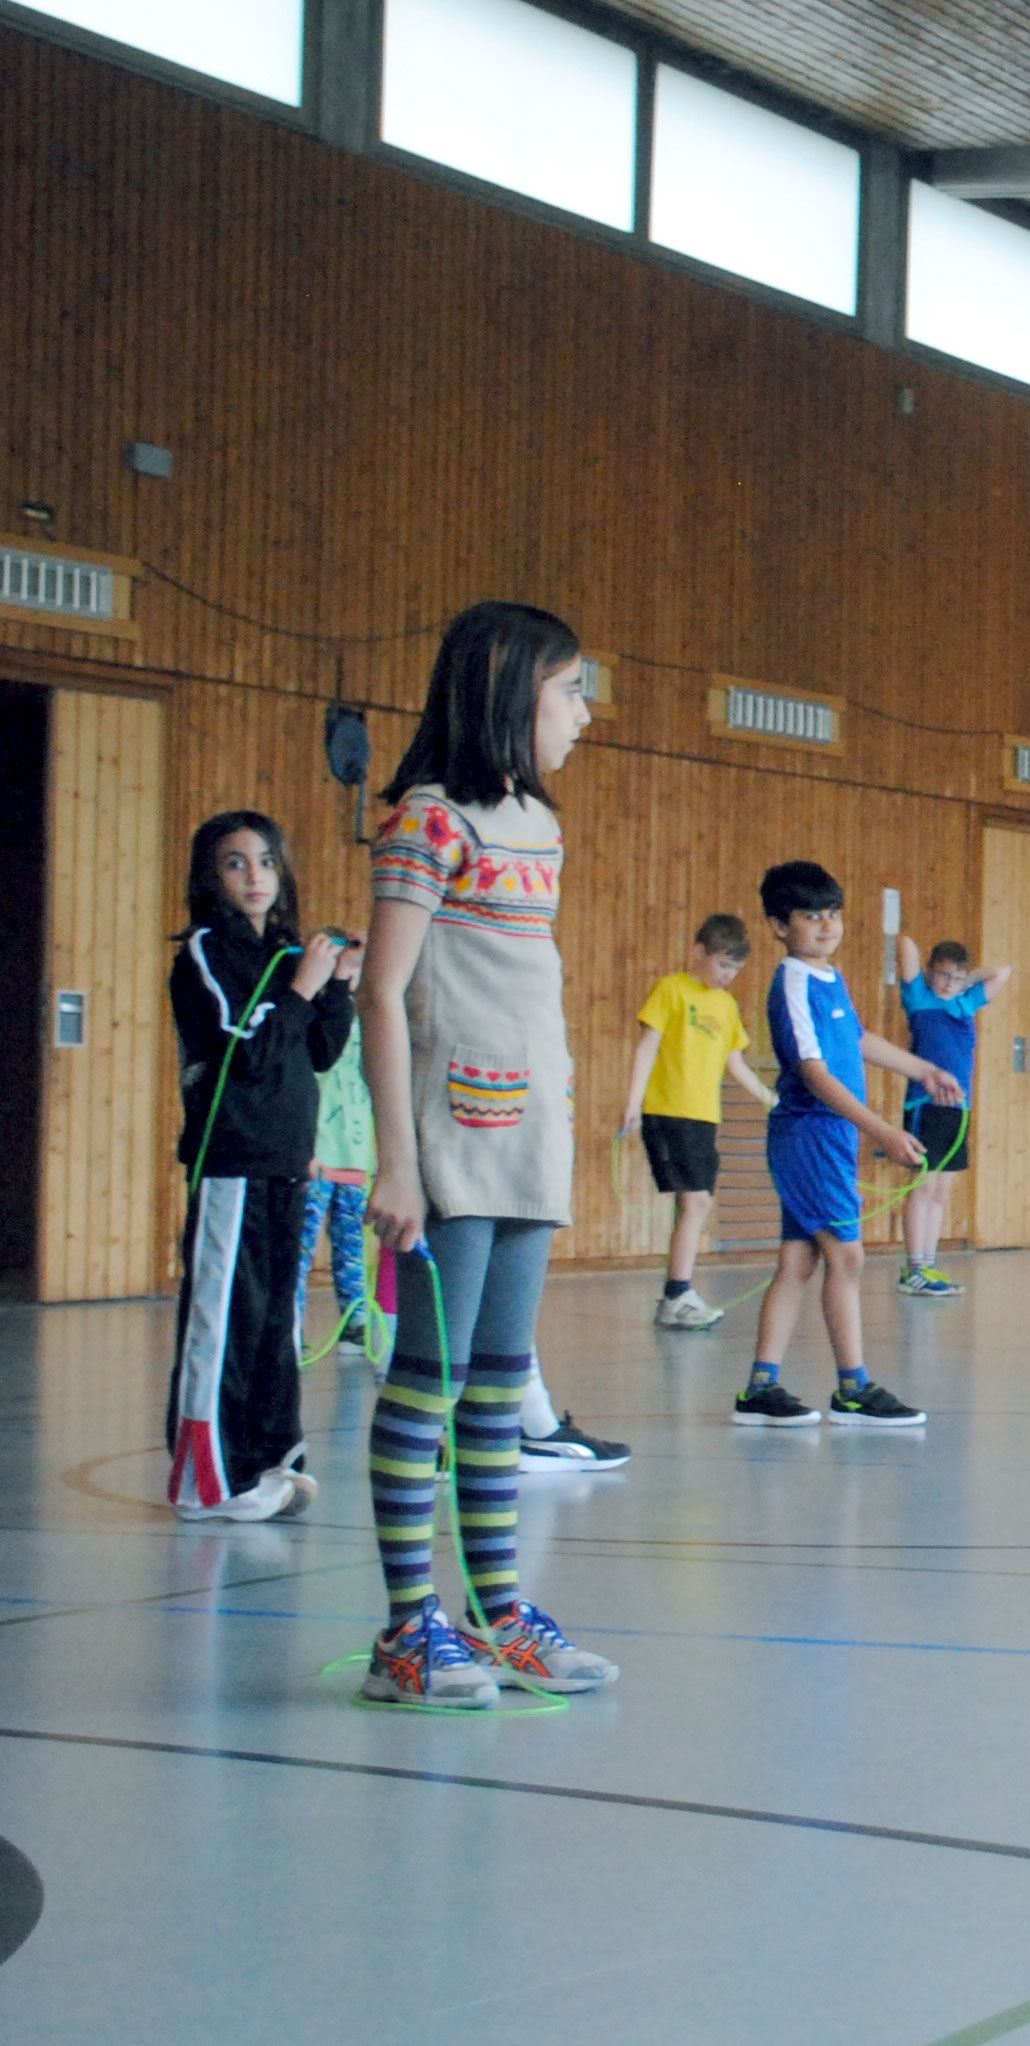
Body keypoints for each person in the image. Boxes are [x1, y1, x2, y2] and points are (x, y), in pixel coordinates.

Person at [359, 601, 617, 1705]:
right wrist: (396, 1163)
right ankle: (407, 1631)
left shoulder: (541, 829)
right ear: (513, 693)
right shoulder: (429, 820)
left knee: (502, 1386)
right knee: (429, 1379)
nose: (585, 715)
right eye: (572, 690)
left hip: (531, 1134)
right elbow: (380, 988)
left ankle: (500, 1613)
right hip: (450, 1136)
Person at [166, 812, 354, 1522]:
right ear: (211, 878)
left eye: (266, 861)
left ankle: (268, 1456)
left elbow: (320, 1051)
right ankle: (206, 1481)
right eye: (236, 863)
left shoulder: (279, 954)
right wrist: (303, 988)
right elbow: (246, 1050)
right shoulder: (207, 951)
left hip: (284, 1165)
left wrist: (338, 982)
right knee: (226, 1321)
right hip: (232, 1164)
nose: (255, 877)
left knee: (277, 1323)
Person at [731, 861, 960, 1428]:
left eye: (833, 914)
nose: (827, 925)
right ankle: (853, 1389)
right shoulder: (792, 982)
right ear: (779, 925)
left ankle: (761, 1387)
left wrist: (923, 1068)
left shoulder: (830, 978)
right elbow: (813, 1071)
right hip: (810, 1133)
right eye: (811, 916)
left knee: (798, 1259)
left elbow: (858, 1040)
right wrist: (881, 1130)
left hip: (826, 1136)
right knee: (847, 1256)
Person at [620, 914, 773, 1329]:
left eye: (736, 970)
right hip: (668, 1111)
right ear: (698, 953)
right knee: (698, 1202)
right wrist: (633, 1101)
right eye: (723, 965)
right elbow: (648, 1047)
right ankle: (677, 1294)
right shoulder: (672, 990)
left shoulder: (725, 1006)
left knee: (696, 1203)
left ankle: (676, 1293)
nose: (728, 976)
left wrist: (769, 1099)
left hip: (704, 1116)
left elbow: (735, 1063)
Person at [894, 933, 1007, 1297]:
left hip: (957, 1109)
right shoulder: (919, 999)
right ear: (930, 974)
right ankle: (914, 1268)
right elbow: (906, 943)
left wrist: (966, 979)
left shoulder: (966, 1002)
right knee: (923, 1186)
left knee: (942, 1190)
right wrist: (934, 975)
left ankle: (928, 1263)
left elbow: (1003, 972)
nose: (949, 984)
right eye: (943, 976)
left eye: (956, 978)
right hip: (924, 1107)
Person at [298, 989, 376, 1358]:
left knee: (351, 1244)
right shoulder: (318, 1024)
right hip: (317, 1155)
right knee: (301, 1246)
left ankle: (355, 1323)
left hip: (356, 1155)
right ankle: (289, 1328)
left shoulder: (374, 1025)